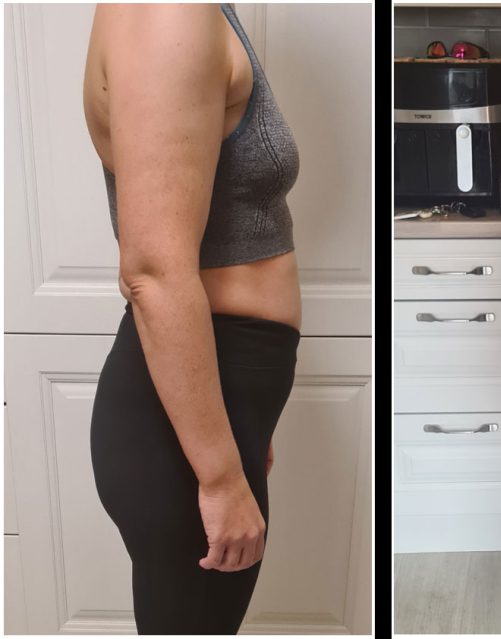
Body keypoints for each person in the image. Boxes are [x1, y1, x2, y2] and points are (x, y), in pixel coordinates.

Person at [84, 4, 301, 633]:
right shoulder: (166, 14)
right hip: (183, 433)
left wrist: (241, 426)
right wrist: (220, 474)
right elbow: (152, 272)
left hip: (215, 397)